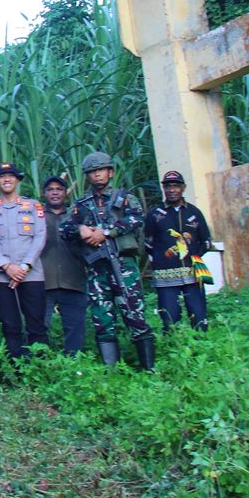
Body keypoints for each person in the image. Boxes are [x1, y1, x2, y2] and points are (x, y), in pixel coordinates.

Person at [62, 152, 156, 371]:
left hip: (123, 266)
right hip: (97, 268)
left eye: (101, 170)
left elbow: (136, 218)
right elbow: (64, 228)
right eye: (93, 172)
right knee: (102, 319)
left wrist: (106, 232)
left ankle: (148, 369)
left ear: (110, 172)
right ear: (88, 176)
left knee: (135, 314)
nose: (97, 174)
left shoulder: (124, 198)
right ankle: (112, 371)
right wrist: (80, 229)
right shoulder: (81, 204)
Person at [0, 162, 50, 360]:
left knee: (36, 323)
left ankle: (40, 368)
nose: (7, 179)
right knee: (10, 324)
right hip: (2, 277)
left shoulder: (33, 206)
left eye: (11, 175)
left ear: (18, 180)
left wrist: (24, 266)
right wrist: (6, 266)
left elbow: (40, 236)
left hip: (32, 274)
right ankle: (16, 369)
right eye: (2, 176)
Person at [143, 171, 212, 332]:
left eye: (176, 186)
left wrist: (194, 257)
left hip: (193, 274)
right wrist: (163, 259)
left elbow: (206, 240)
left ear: (183, 187)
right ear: (163, 189)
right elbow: (148, 243)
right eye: (168, 186)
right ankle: (173, 350)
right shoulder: (154, 214)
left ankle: (201, 349)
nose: (172, 190)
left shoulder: (194, 212)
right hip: (165, 276)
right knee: (170, 320)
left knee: (199, 318)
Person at [39, 176, 89, 356]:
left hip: (73, 280)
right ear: (43, 193)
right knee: (39, 327)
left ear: (66, 193)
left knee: (75, 329)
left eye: (59, 189)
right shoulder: (36, 216)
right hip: (43, 281)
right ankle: (41, 363)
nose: (54, 192)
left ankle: (73, 366)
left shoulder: (77, 216)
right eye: (50, 189)